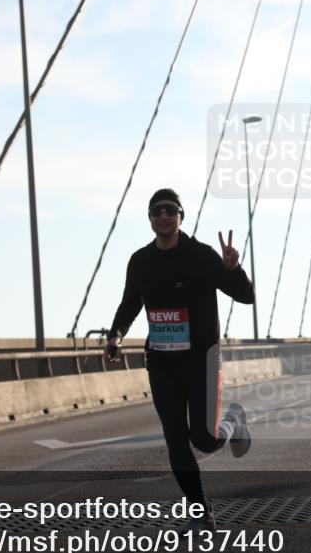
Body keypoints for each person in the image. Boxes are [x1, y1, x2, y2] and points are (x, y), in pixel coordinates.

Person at [107, 188, 254, 534]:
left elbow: (246, 297)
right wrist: (115, 335)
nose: (163, 216)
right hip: (162, 363)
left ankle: (233, 421)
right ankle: (201, 512)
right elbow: (130, 303)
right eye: (156, 211)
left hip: (202, 359)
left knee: (204, 439)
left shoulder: (200, 256)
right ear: (149, 218)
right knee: (175, 439)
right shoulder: (140, 261)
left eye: (170, 210)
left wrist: (233, 269)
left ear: (180, 216)